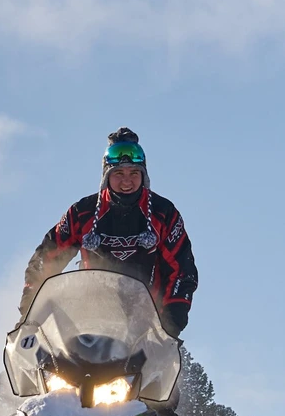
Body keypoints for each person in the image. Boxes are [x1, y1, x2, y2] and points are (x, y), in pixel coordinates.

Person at [18, 127, 198, 337]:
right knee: (46, 359)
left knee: (167, 364)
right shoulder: (82, 212)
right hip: (88, 323)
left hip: (147, 327)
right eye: (118, 173)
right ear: (106, 175)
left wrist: (172, 322)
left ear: (144, 174)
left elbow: (181, 269)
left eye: (134, 173)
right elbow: (46, 258)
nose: (126, 181)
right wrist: (29, 311)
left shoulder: (163, 213)